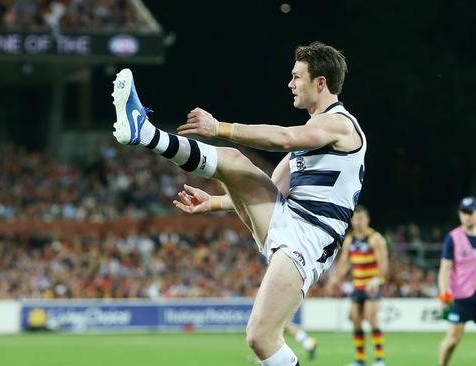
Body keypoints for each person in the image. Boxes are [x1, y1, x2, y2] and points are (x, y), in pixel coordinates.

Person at [111, 41, 365, 366]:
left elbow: (284, 137)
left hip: (309, 237)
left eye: (297, 76)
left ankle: (145, 133)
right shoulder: (307, 147)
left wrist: (219, 128)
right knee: (231, 161)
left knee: (261, 337)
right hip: (290, 221)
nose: (290, 84)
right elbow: (270, 188)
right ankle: (145, 133)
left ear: (320, 82)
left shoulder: (340, 124)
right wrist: (214, 203)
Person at [437, 197, 476, 366]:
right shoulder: (453, 237)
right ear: (459, 214)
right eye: (464, 213)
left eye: (470, 212)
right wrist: (444, 295)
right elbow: (445, 268)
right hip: (460, 294)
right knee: (453, 338)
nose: (467, 216)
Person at [327, 206, 388, 366]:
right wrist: (335, 279)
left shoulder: (375, 238)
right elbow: (344, 263)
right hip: (357, 286)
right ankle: (360, 360)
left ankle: (379, 359)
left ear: (367, 220)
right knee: (355, 320)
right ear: (352, 220)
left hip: (372, 286)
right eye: (356, 219)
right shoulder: (350, 239)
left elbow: (384, 265)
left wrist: (376, 280)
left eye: (361, 219)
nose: (358, 222)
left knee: (370, 317)